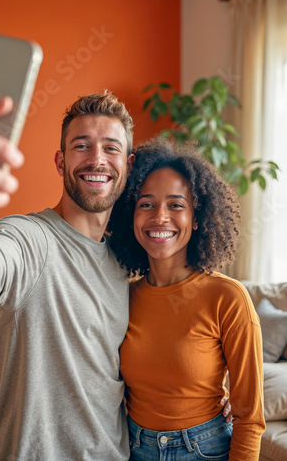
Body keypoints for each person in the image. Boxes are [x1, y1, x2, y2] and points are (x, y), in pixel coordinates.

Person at [0, 91, 135, 461]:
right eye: (82, 146)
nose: (97, 159)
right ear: (60, 162)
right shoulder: (29, 239)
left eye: (110, 148)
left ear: (127, 164)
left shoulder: (124, 259)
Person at [108, 137, 265, 461]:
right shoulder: (121, 296)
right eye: (146, 204)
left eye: (176, 205)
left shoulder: (228, 298)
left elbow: (249, 417)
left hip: (205, 450)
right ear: (131, 216)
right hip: (133, 448)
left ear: (196, 218)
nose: (160, 217)